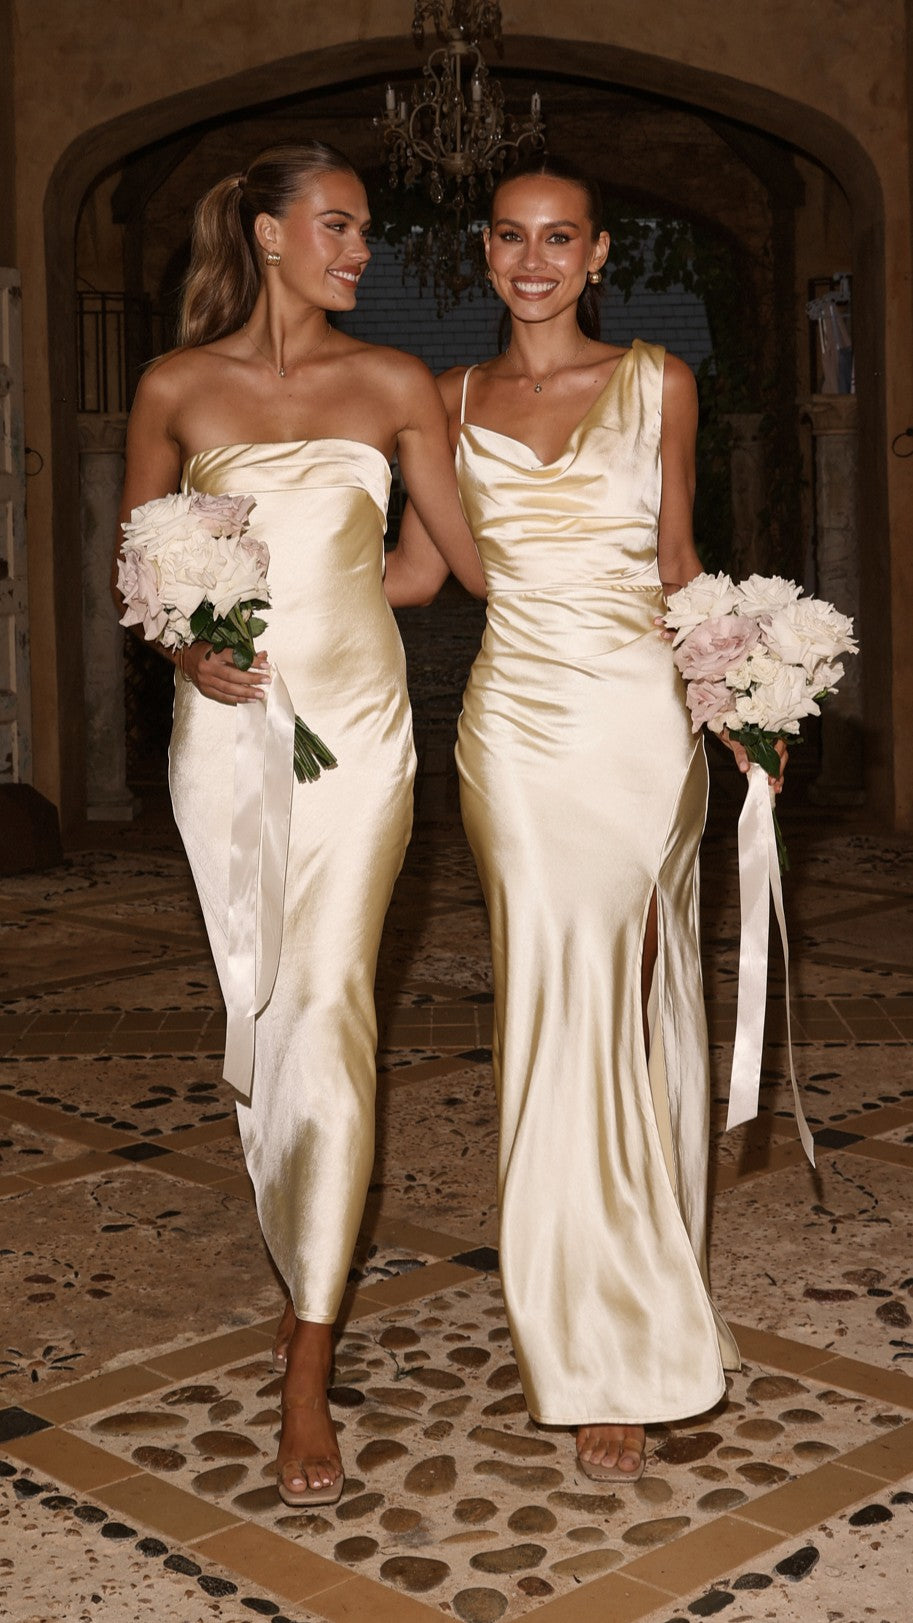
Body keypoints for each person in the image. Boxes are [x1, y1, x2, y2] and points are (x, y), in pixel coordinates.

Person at [384, 154, 785, 1483]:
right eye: (511, 236)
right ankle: (590, 1333)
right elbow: (421, 572)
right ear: (485, 254)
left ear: (599, 254)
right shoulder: (444, 399)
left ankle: (639, 1286)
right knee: (558, 1010)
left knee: (638, 1002)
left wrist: (739, 690)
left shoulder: (657, 383)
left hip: (639, 730)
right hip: (513, 738)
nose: (534, 260)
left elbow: (675, 560)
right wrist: (244, 589)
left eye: (560, 238)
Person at [113, 141, 485, 1509]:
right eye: (338, 226)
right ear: (268, 235)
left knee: (329, 1002)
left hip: (359, 742)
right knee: (260, 1004)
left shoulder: (392, 383)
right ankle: (299, 1247)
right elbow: (137, 567)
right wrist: (189, 647)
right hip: (220, 740)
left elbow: (448, 564)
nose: (360, 251)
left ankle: (311, 1351)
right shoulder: (175, 385)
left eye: (364, 230)